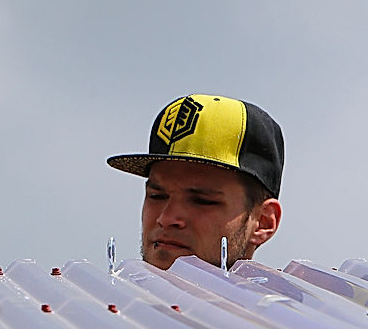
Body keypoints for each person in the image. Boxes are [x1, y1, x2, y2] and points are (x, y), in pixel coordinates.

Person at [107, 94, 283, 270]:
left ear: (263, 221)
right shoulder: (100, 295)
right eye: (157, 196)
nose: (166, 218)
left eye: (202, 200)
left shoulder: (286, 298)